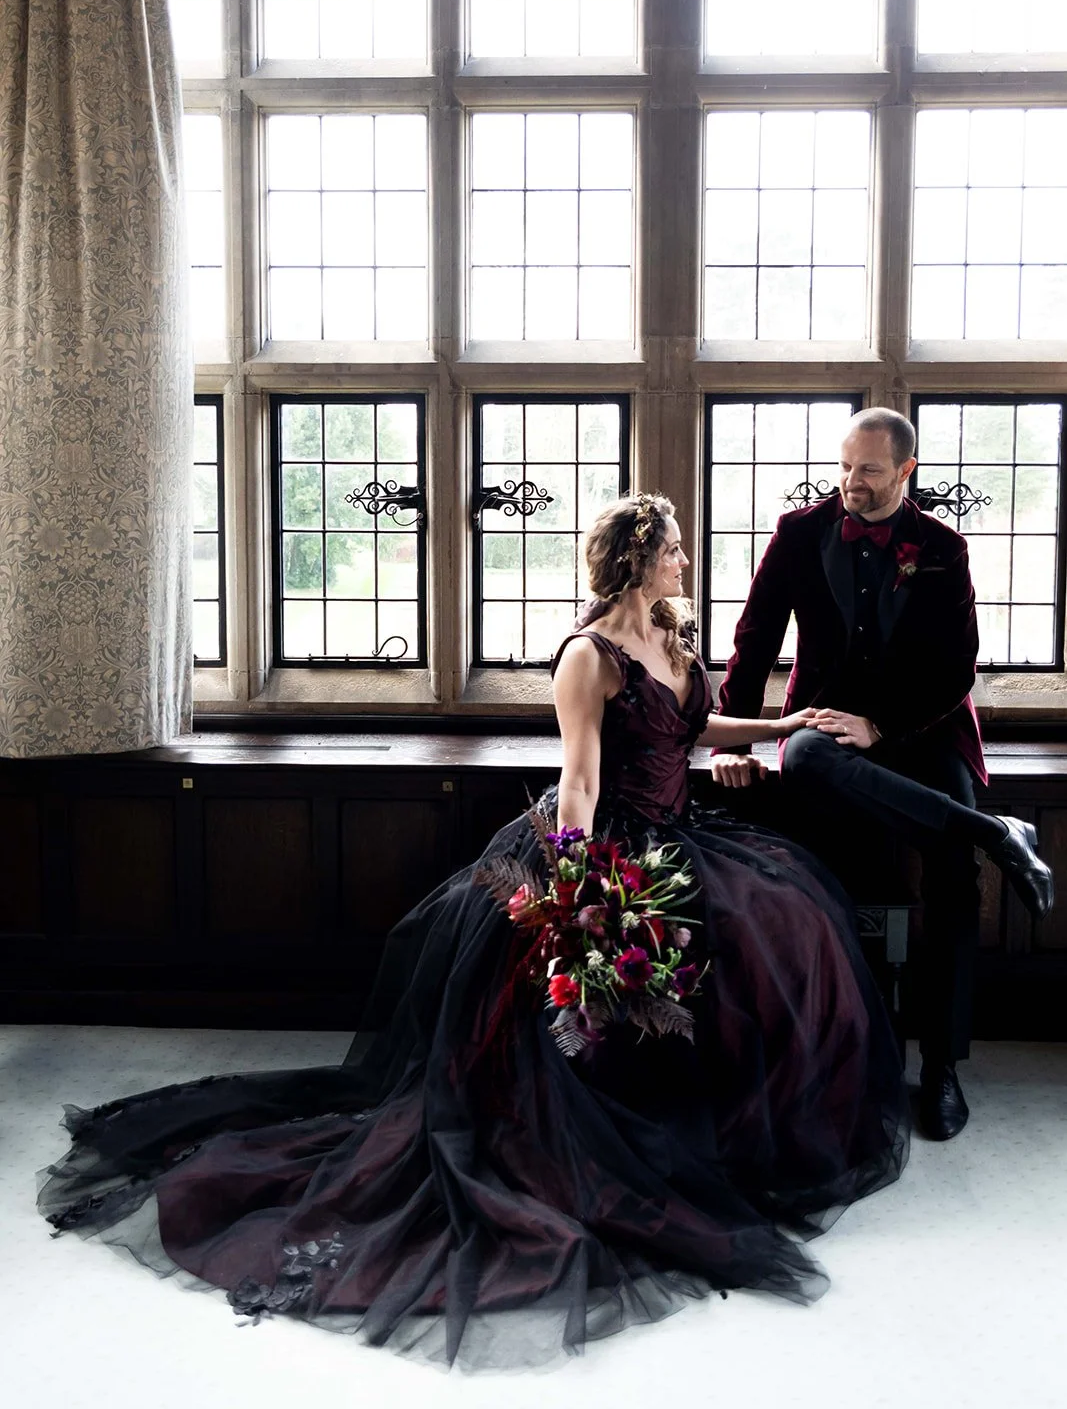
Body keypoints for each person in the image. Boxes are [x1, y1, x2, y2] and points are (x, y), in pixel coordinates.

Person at [38, 493, 908, 1370]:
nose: (685, 561)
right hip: (604, 841)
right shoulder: (586, 654)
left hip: (680, 833)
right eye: (673, 551)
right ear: (636, 559)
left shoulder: (673, 636)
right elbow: (578, 779)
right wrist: (575, 884)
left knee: (778, 925)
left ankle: (716, 1135)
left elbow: (691, 728)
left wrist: (780, 725)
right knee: (594, 1011)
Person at [710, 408, 1055, 1143]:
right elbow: (754, 637)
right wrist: (730, 740)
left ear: (905, 471)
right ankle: (997, 832)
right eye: (843, 466)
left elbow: (955, 666)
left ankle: (940, 1069)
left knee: (954, 876)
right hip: (824, 729)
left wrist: (884, 727)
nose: (849, 483)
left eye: (866, 470)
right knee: (800, 756)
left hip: (921, 731)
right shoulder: (799, 534)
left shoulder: (941, 548)